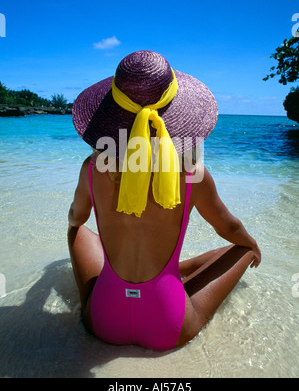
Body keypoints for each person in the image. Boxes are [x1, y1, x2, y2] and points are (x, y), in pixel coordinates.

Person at [68, 50, 261, 350]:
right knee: (241, 248)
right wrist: (251, 243)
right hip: (168, 323)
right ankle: (171, 270)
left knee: (79, 232)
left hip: (105, 319)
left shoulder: (92, 170)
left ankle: (159, 271)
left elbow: (75, 219)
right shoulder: (193, 174)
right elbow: (229, 226)